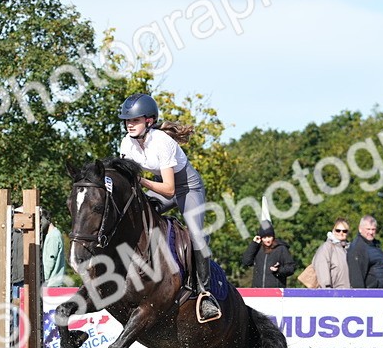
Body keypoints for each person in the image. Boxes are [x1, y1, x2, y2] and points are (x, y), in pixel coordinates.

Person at [118, 92, 221, 323]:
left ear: (149, 121)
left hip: (186, 189)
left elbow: (169, 190)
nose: (129, 125)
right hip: (161, 187)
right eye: (127, 121)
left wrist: (141, 181)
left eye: (134, 120)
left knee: (196, 237)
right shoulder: (127, 143)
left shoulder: (162, 142)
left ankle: (205, 294)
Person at [346, 215, 383, 289]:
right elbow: (357, 278)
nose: (371, 232)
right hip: (371, 295)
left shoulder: (374, 245)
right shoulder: (358, 248)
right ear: (360, 229)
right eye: (368, 229)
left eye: (373, 229)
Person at [241, 222, 295, 288]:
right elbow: (246, 261)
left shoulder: (281, 249)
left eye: (269, 237)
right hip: (257, 291)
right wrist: (254, 244)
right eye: (264, 237)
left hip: (275, 292)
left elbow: (291, 268)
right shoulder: (257, 248)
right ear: (261, 238)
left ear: (273, 236)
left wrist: (278, 270)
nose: (267, 240)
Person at [312, 218, 352, 289]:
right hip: (333, 294)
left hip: (348, 293)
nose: (341, 233)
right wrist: (327, 289)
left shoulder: (350, 249)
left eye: (344, 231)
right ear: (333, 231)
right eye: (338, 230)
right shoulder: (327, 248)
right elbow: (322, 270)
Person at [41, 212, 68, 287]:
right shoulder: (54, 234)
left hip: (51, 284)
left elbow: (50, 261)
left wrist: (43, 279)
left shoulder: (53, 236)